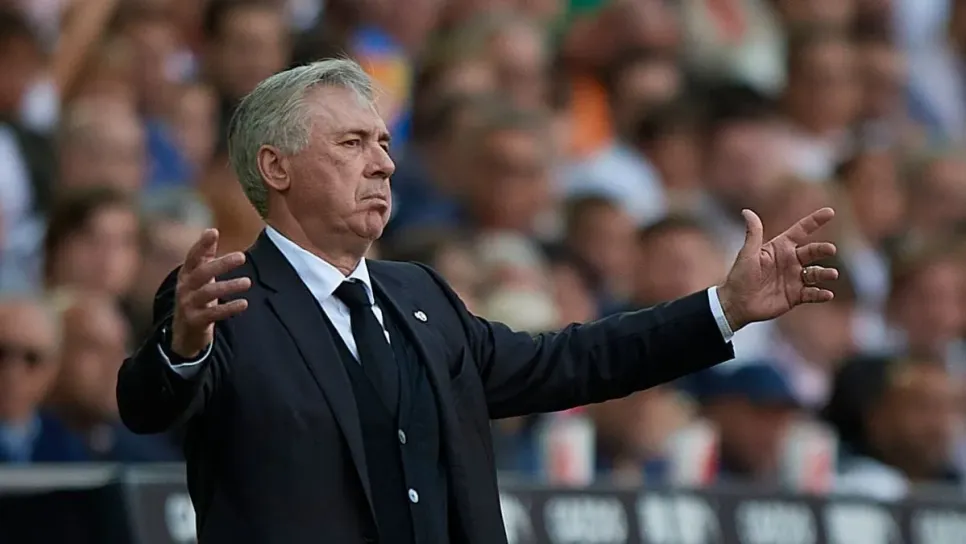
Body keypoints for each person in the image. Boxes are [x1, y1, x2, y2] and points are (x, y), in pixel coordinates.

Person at [116, 59, 838, 544]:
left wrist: (724, 307)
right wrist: (184, 349)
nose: (383, 163)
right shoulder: (222, 298)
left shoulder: (419, 294)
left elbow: (569, 362)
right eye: (353, 143)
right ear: (276, 167)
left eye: (383, 143)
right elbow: (148, 406)